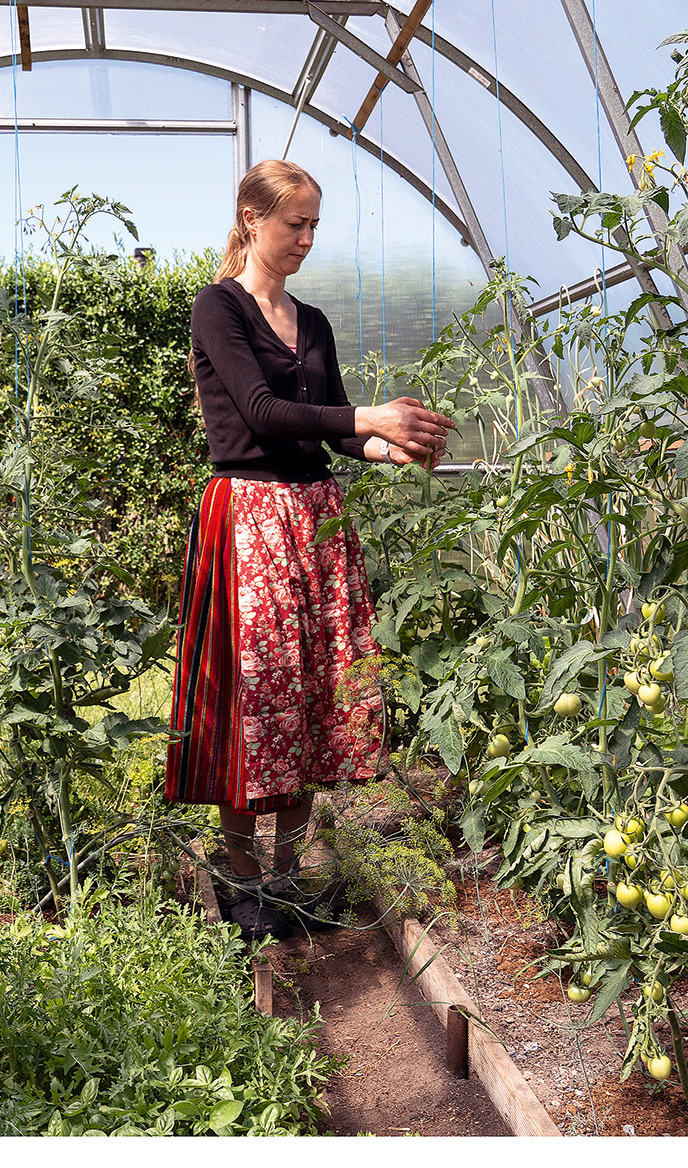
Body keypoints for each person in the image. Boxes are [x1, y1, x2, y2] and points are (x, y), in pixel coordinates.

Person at [167, 158, 453, 939]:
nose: (306, 237)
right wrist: (370, 418)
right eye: (295, 222)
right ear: (252, 220)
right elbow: (260, 414)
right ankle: (240, 879)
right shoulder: (216, 308)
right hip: (250, 519)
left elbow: (326, 423)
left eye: (314, 224)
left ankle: (288, 881)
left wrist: (392, 449)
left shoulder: (315, 320)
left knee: (306, 700)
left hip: (315, 520)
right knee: (252, 698)